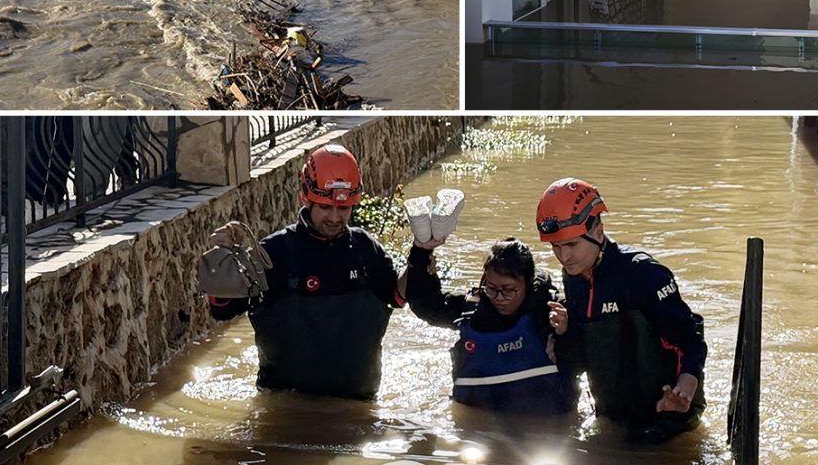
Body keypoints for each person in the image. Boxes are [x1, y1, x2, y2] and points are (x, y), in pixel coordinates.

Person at [206, 144, 407, 400]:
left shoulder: (365, 248)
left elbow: (397, 296)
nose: (334, 218)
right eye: (325, 207)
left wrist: (421, 253)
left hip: (357, 405)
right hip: (286, 405)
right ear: (305, 198)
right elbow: (222, 309)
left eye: (343, 209)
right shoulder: (273, 253)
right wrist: (223, 259)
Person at [536, 177, 707, 443]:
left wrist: (686, 386)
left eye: (571, 245)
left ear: (598, 232)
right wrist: (563, 334)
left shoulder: (644, 274)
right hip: (613, 418)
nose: (563, 257)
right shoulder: (574, 277)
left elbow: (689, 338)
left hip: (666, 419)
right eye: (555, 247)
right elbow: (581, 361)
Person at [405, 237, 577, 415]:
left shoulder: (554, 312)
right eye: (492, 288)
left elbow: (584, 359)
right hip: (479, 418)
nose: (499, 298)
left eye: (509, 290)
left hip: (545, 420)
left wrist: (565, 333)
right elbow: (424, 305)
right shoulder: (473, 310)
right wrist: (421, 253)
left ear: (528, 283)